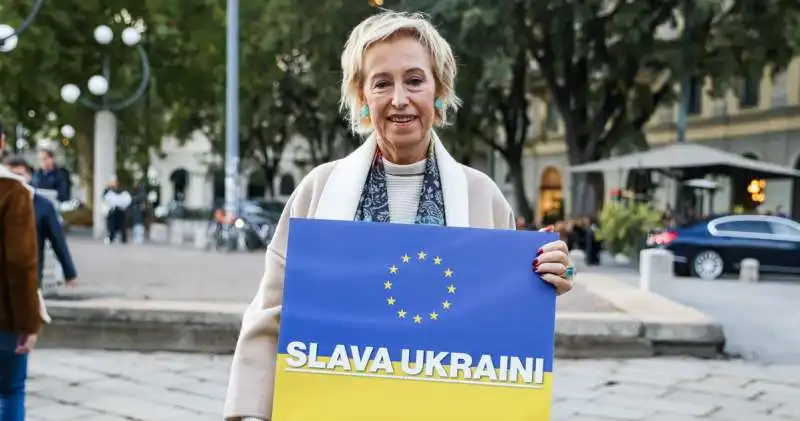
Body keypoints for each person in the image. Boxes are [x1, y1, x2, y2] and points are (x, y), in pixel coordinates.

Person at [223, 11, 575, 421]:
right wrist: (250, 412)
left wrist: (549, 278)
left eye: (414, 80)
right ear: (361, 98)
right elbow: (272, 312)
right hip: (333, 404)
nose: (399, 99)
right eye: (382, 83)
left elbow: (499, 314)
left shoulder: (483, 195)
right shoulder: (318, 188)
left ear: (439, 91)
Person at [0, 121, 44, 420]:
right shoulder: (13, 191)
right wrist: (29, 321)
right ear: (1, 142)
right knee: (11, 390)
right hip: (3, 317)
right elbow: (19, 262)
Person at [4, 155, 78, 287]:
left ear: (29, 177)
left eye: (20, 175)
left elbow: (57, 240)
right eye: (11, 176)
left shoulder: (43, 205)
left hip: (30, 274)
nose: (15, 181)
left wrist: (69, 272)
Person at [102, 178, 132, 244]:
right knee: (111, 230)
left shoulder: (123, 192)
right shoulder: (108, 191)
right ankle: (110, 240)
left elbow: (127, 200)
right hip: (112, 213)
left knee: (123, 230)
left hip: (120, 213)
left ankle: (123, 241)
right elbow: (104, 197)